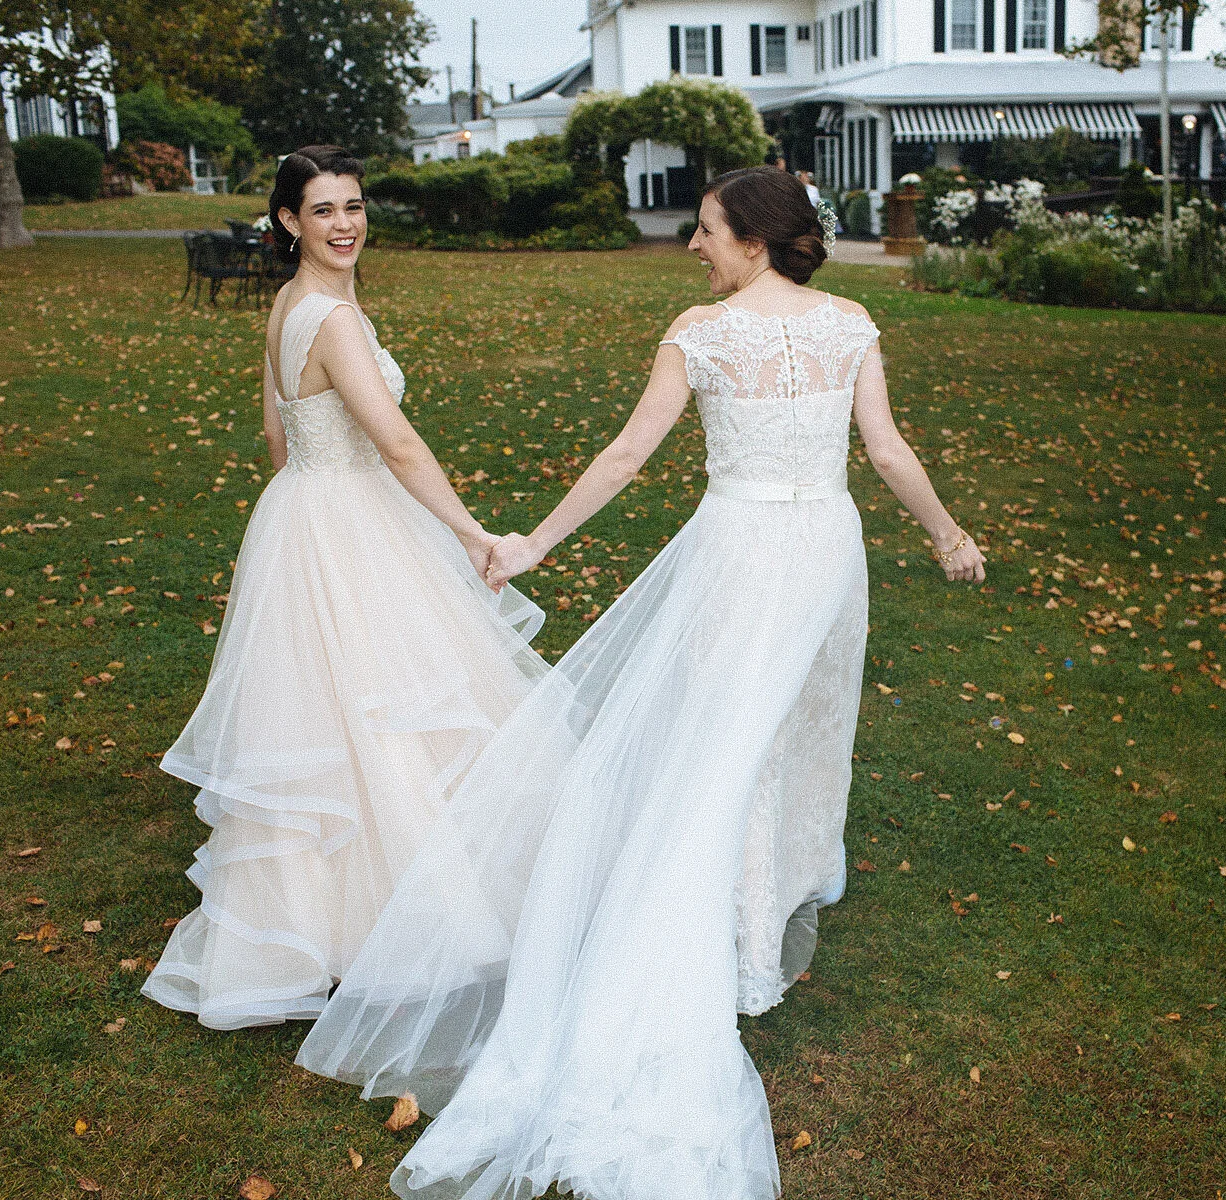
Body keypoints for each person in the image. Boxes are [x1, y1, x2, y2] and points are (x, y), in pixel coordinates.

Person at [295, 165, 983, 1200]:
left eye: (704, 231)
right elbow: (884, 452)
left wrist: (531, 544)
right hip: (821, 545)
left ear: (753, 239)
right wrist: (947, 535)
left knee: (735, 730)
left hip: (746, 546)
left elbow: (626, 457)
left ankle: (753, 919)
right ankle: (751, 927)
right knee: (786, 726)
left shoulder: (700, 335)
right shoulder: (851, 323)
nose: (691, 247)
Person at [141, 145, 548, 1031]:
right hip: (352, 519)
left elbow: (279, 440)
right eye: (324, 210)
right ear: (290, 222)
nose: (346, 224)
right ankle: (390, 924)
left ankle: (312, 930)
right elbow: (398, 445)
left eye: (355, 206)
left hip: (301, 513)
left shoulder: (288, 303)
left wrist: (316, 496)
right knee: (384, 714)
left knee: (322, 719)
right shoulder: (332, 317)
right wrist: (473, 533)